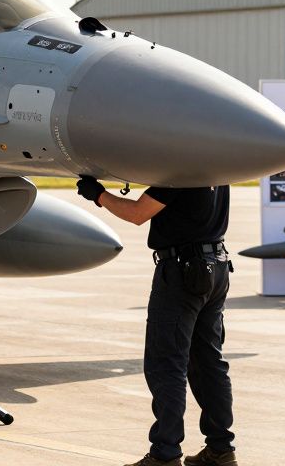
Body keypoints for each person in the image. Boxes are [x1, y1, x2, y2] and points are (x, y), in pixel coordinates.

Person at [76, 176, 237, 466]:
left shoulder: (179, 168)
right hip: (217, 267)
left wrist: (98, 194)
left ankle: (165, 453)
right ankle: (220, 449)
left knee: (167, 364)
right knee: (209, 363)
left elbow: (137, 213)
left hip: (182, 271)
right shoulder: (217, 165)